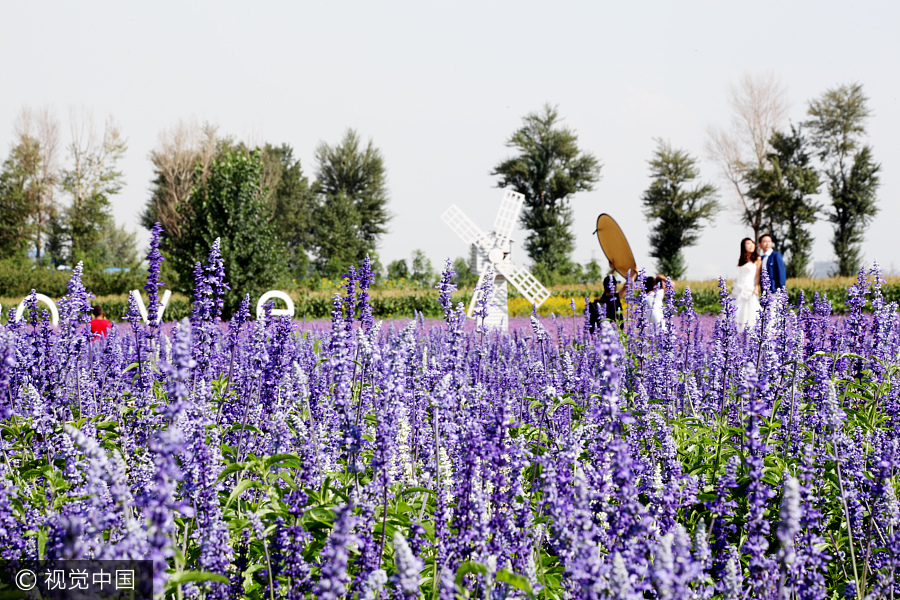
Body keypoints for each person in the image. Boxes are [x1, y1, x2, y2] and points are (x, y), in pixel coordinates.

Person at [732, 237, 762, 332]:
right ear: (743, 246)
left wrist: (756, 287)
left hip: (750, 287)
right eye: (748, 243)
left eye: (752, 243)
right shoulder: (741, 259)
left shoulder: (757, 259)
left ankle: (750, 332)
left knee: (751, 309)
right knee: (737, 308)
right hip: (740, 285)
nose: (751, 245)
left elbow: (758, 276)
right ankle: (736, 331)